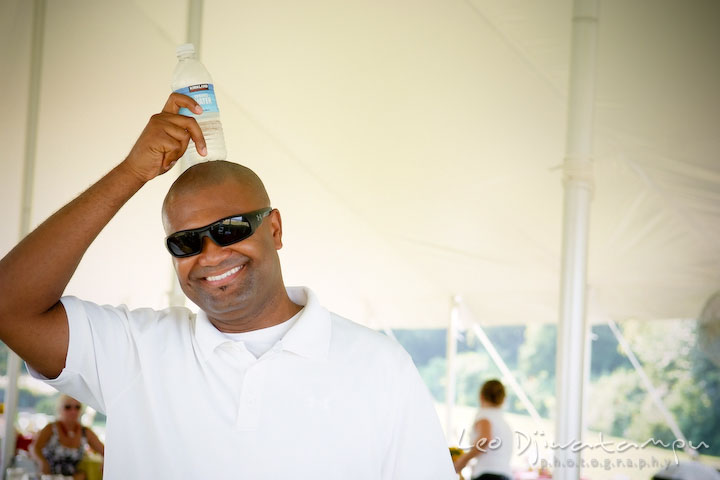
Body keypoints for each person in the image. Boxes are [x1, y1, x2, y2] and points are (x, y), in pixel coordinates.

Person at [0, 93, 455, 479]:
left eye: (232, 228)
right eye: (186, 241)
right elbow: (9, 306)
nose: (212, 253)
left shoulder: (380, 367)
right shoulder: (135, 350)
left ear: (274, 229)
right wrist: (131, 172)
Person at [31, 395, 104, 479]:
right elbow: (34, 448)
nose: (73, 411)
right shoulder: (51, 428)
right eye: (68, 407)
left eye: (77, 407)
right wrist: (42, 462)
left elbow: (104, 451)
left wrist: (104, 463)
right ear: (59, 409)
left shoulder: (85, 432)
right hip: (49, 476)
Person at [453, 379, 513, 480]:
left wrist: (461, 462)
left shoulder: (484, 415)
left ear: (481, 396)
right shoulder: (504, 422)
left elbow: (485, 439)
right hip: (505, 475)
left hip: (488, 476)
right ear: (503, 399)